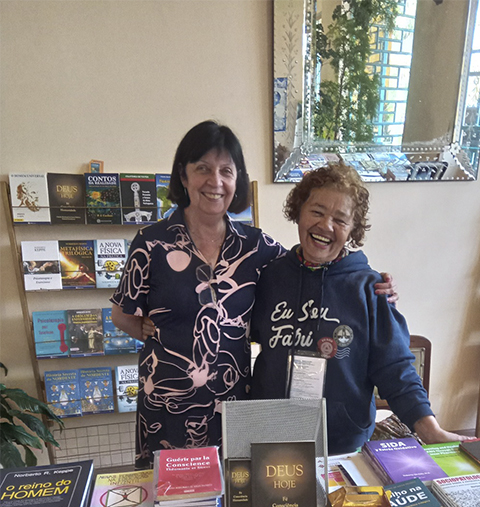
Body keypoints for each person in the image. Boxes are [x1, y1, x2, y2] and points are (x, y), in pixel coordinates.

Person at [111, 121, 395, 467]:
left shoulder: (257, 247)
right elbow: (121, 314)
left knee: (236, 490)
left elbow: (314, 266)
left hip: (234, 404)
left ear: (237, 181)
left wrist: (372, 284)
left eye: (226, 171)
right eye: (202, 169)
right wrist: (148, 329)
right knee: (171, 495)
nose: (215, 182)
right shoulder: (151, 243)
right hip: (167, 403)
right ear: (183, 176)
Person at [250, 163, 467, 455]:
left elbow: (395, 367)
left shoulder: (371, 289)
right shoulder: (270, 277)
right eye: (317, 211)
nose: (326, 225)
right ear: (299, 211)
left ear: (353, 229)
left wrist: (429, 428)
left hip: (343, 443)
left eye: (340, 219)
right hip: (272, 437)